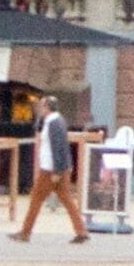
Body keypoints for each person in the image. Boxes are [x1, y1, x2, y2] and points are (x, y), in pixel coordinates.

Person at [12, 94, 88, 244]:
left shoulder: (54, 123)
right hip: (57, 168)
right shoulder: (53, 121)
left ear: (47, 107)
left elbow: (58, 148)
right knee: (67, 199)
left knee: (36, 199)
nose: (39, 108)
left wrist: (57, 172)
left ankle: (25, 232)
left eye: (42, 105)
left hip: (50, 169)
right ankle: (81, 230)